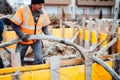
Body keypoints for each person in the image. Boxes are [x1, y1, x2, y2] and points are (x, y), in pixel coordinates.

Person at [10, 0, 51, 65]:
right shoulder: (22, 10)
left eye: (42, 4)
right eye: (39, 5)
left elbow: (44, 26)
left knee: (39, 59)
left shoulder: (43, 13)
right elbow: (14, 24)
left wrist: (48, 35)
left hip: (36, 40)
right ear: (33, 4)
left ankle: (37, 72)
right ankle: (17, 72)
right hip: (23, 40)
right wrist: (21, 36)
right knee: (17, 60)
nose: (41, 6)